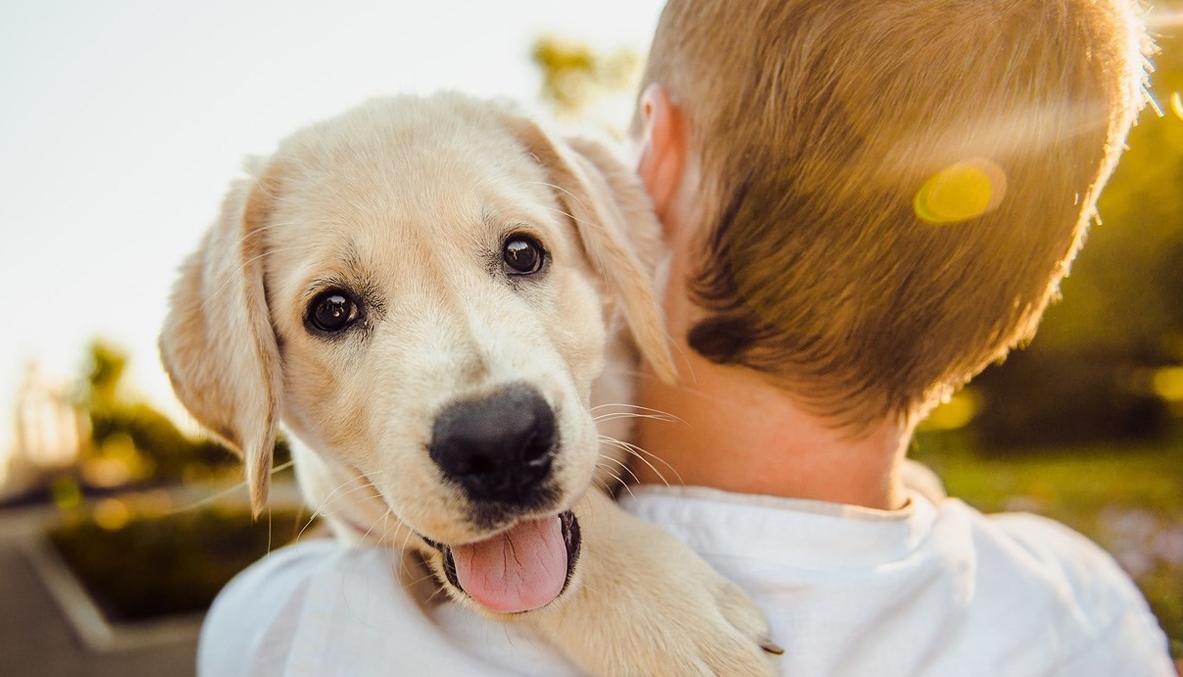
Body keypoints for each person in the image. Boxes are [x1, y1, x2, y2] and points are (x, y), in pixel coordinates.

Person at [199, 0, 1176, 675]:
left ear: (647, 170)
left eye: (520, 253)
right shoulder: (1081, 609)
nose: (487, 400)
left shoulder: (291, 631)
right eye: (337, 310)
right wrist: (592, 567)